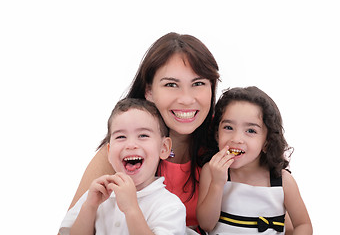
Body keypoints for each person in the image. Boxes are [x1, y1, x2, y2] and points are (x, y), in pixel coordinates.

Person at [67, 32, 220, 230]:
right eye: (171, 84)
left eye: (198, 83)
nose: (186, 99)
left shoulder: (226, 139)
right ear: (149, 91)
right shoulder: (123, 150)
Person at [59, 98, 186, 235]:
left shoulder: (170, 206)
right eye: (120, 137)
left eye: (143, 135)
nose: (131, 145)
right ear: (109, 151)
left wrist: (131, 209)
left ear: (164, 148)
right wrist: (90, 206)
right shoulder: (95, 195)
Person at [196, 87, 312, 234]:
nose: (236, 139)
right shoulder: (211, 171)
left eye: (250, 131)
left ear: (267, 142)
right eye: (228, 127)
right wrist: (217, 184)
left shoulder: (283, 181)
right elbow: (206, 225)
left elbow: (303, 224)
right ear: (217, 134)